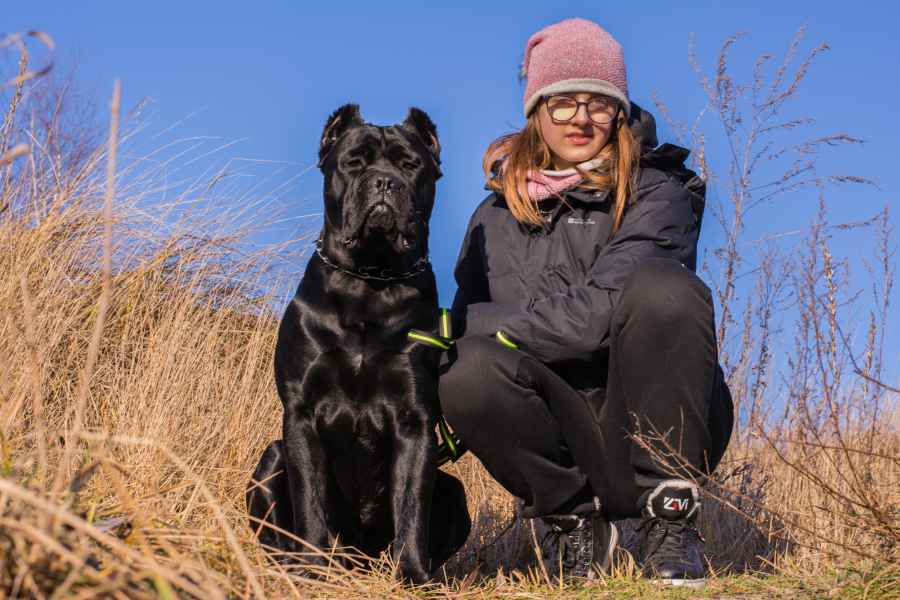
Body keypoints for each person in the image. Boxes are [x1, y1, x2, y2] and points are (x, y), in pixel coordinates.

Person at [438, 17, 734, 586]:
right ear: (537, 110)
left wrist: (485, 322)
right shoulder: (493, 216)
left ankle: (669, 519)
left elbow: (593, 319)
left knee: (665, 288)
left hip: (646, 413)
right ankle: (573, 524)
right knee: (465, 369)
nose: (581, 118)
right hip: (554, 422)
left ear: (618, 112)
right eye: (563, 102)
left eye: (598, 103)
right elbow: (461, 342)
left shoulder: (658, 191)